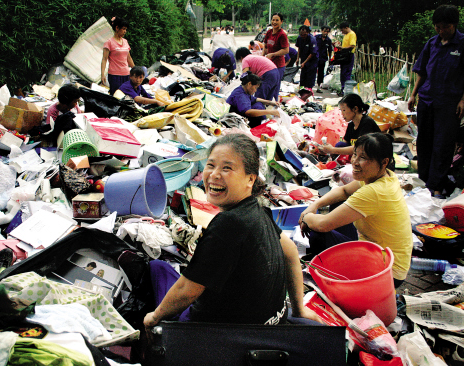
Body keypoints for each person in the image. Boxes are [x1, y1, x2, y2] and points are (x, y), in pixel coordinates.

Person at [143, 134, 322, 330]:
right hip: (270, 326)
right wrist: (298, 310)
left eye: (227, 168)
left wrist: (153, 318)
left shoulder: (228, 224)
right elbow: (290, 251)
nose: (214, 175)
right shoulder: (257, 209)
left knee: (156, 267)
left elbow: (188, 290)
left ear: (250, 179)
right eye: (211, 165)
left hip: (219, 335)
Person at [299, 133, 412, 287]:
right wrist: (314, 206)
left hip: (388, 272)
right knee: (338, 203)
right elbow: (343, 191)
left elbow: (323, 224)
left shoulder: (375, 191)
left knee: (318, 234)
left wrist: (306, 216)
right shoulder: (384, 176)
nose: (354, 162)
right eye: (354, 155)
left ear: (384, 162)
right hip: (374, 250)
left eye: (363, 158)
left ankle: (337, 283)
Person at [408, 5, 464, 199]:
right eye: (437, 27)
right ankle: (424, 180)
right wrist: (413, 94)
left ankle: (437, 186)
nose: (440, 31)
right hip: (427, 99)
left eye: (444, 27)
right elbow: (422, 72)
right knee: (424, 141)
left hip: (449, 103)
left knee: (443, 144)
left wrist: (463, 101)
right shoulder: (432, 43)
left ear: (453, 25)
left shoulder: (462, 44)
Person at [101, 17, 135, 95]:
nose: (125, 31)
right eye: (123, 29)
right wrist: (102, 74)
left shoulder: (125, 41)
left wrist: (135, 69)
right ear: (117, 28)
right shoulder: (109, 42)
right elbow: (104, 59)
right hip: (114, 76)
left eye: (126, 29)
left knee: (126, 96)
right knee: (116, 96)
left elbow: (128, 57)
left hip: (126, 74)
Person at [262, 13, 290, 81]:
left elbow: (286, 50)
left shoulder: (282, 35)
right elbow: (265, 46)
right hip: (268, 64)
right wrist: (262, 57)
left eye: (277, 20)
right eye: (273, 20)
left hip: (278, 66)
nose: (274, 22)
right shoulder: (269, 32)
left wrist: (273, 54)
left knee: (275, 85)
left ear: (281, 21)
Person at [295, 25, 319, 90]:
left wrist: (304, 62)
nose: (303, 36)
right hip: (303, 58)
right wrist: (298, 59)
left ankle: (309, 91)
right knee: (303, 77)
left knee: (310, 78)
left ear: (308, 32)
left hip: (312, 61)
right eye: (301, 34)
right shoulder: (299, 38)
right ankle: (302, 91)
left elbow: (312, 53)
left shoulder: (312, 39)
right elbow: (299, 48)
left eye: (304, 35)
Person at [338, 22, 357, 95]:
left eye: (342, 30)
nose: (342, 32)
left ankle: (346, 90)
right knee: (342, 73)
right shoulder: (346, 35)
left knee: (346, 73)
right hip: (344, 55)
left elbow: (352, 45)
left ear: (346, 28)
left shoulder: (352, 34)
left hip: (349, 55)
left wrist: (343, 48)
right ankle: (343, 89)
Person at [315, 26, 333, 93]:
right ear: (322, 30)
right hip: (315, 57)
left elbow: (330, 50)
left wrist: (330, 59)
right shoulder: (316, 38)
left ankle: (318, 87)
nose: (326, 33)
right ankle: (309, 87)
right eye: (325, 31)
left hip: (323, 58)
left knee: (321, 73)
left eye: (327, 31)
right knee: (312, 71)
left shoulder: (328, 40)